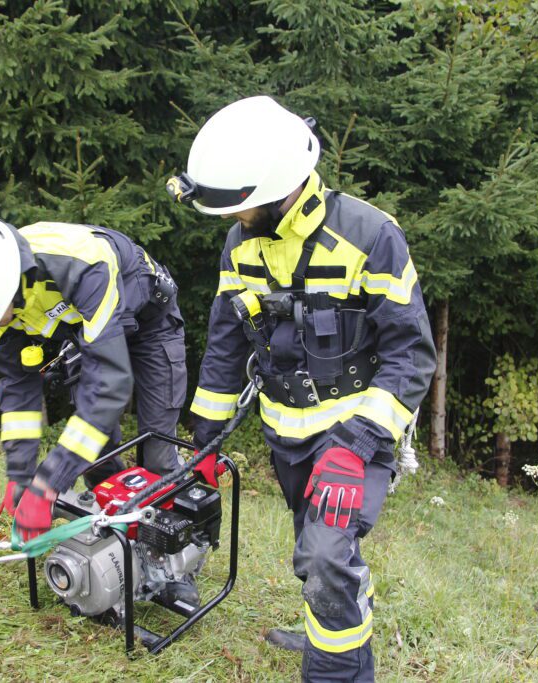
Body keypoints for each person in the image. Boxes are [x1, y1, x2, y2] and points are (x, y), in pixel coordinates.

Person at [168, 96, 435, 681]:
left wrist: (356, 444)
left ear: (278, 185)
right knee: (314, 554)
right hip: (285, 435)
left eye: (240, 208)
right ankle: (329, 618)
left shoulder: (371, 236)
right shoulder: (242, 244)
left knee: (325, 554)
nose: (231, 221)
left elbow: (410, 356)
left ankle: (336, 670)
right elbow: (225, 345)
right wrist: (205, 439)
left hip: (356, 435)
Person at [0, 215, 195, 605]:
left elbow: (110, 390)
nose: (3, 325)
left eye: (1, 316)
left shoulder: (82, 265)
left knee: (157, 451)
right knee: (97, 452)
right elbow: (19, 396)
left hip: (149, 327)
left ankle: (176, 568)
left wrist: (48, 485)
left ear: (10, 283)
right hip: (90, 335)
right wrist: (20, 474)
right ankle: (120, 555)